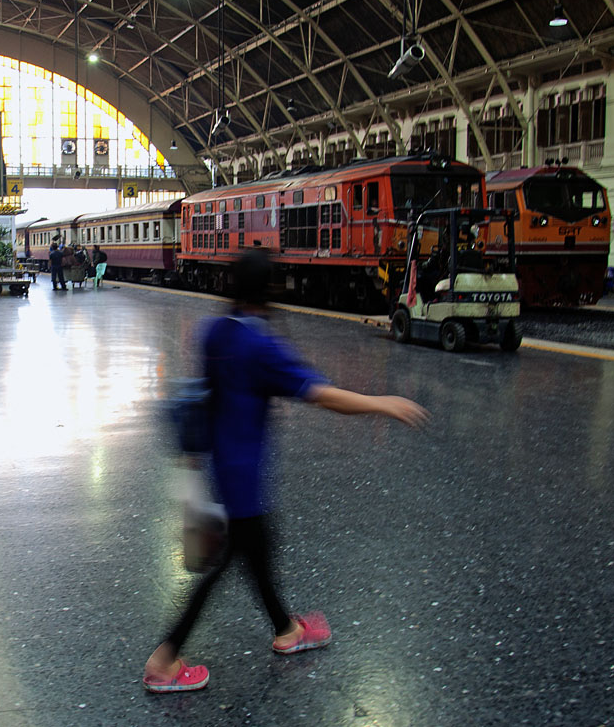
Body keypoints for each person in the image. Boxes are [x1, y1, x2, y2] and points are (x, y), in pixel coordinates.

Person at [142, 248, 429, 694]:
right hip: (243, 477)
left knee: (255, 554)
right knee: (229, 562)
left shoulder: (215, 329)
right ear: (269, 290)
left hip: (223, 466)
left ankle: (286, 630)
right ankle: (164, 659)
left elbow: (209, 393)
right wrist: (382, 404)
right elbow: (321, 394)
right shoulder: (259, 344)